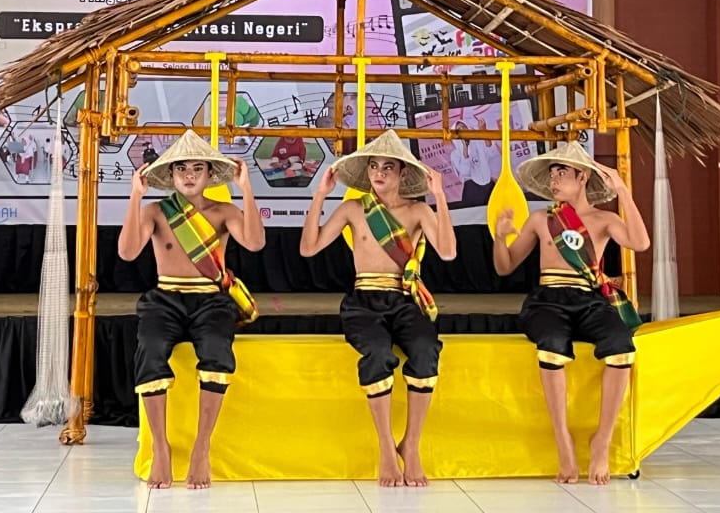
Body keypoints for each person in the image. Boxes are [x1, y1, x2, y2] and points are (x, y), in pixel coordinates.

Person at [300, 129, 457, 488]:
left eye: (388, 167)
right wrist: (321, 194)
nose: (380, 173)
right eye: (374, 166)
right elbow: (309, 249)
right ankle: (387, 448)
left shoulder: (418, 210)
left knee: (426, 350)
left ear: (403, 173)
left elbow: (448, 252)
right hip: (364, 301)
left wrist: (440, 196)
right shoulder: (354, 209)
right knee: (377, 354)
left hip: (404, 299)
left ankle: (410, 446)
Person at [493, 141, 650, 486]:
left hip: (589, 299)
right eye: (551, 174)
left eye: (561, 172)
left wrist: (623, 191)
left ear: (582, 177)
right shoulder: (541, 220)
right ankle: (563, 442)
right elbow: (505, 267)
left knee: (621, 346)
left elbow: (640, 243)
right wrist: (500, 239)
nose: (554, 180)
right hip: (547, 301)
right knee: (551, 343)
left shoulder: (605, 220)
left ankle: (601, 441)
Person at [117, 129, 266, 490]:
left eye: (197, 168)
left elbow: (255, 242)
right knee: (150, 350)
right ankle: (161, 447)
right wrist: (135, 196)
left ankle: (202, 447)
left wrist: (246, 189)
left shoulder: (224, 212)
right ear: (170, 174)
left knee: (216, 351)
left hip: (211, 300)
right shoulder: (156, 211)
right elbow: (127, 252)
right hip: (165, 299)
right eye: (181, 168)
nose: (188, 175)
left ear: (209, 174)